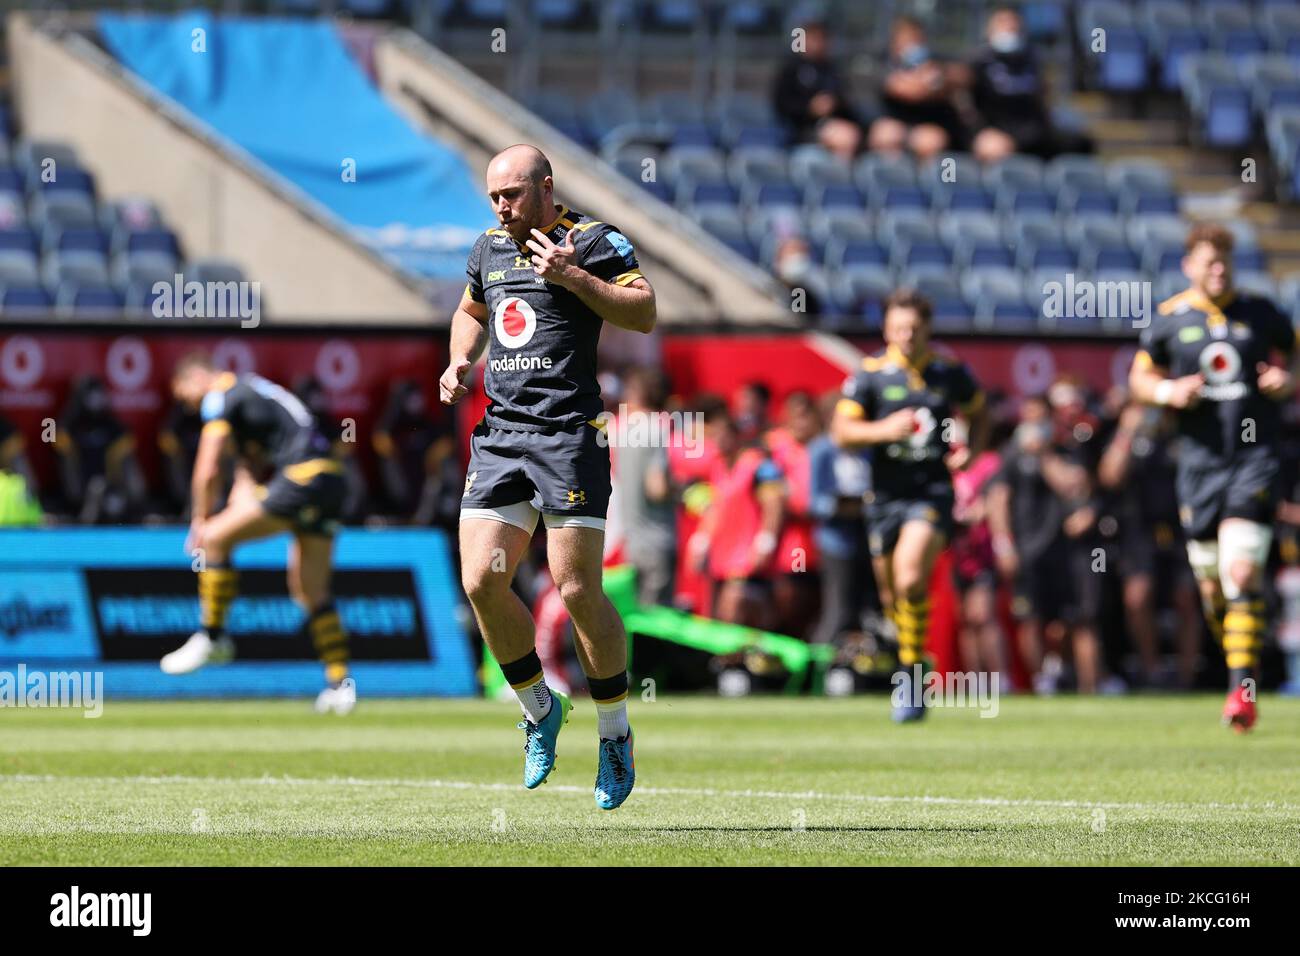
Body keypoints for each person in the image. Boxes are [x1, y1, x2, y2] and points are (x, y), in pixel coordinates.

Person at [440, 144, 655, 809]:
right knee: (481, 579)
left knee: (576, 588)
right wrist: (458, 362)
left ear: (546, 189)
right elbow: (472, 311)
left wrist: (575, 280)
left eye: (512, 195)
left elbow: (643, 311)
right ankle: (540, 709)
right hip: (503, 436)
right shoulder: (487, 248)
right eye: (494, 198)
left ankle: (615, 735)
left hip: (568, 436)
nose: (502, 208)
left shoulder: (592, 240)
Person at [1129, 222, 1299, 732]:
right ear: (1189, 266)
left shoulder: (1263, 313)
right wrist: (1166, 393)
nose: (1218, 270)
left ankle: (1240, 694)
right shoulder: (1168, 320)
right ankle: (1245, 639)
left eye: (1225, 261)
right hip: (1199, 469)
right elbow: (1140, 377)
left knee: (1241, 571)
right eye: (1209, 261)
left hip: (1254, 460)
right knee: (1214, 590)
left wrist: (1287, 380)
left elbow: (1294, 360)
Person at [161, 354, 355, 715]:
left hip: (302, 478)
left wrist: (200, 520)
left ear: (196, 379)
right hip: (331, 480)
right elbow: (246, 471)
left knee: (215, 539)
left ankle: (214, 637)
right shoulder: (253, 393)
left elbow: (207, 467)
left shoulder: (221, 395)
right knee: (310, 591)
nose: (187, 405)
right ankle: (339, 685)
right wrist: (237, 500)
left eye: (184, 395)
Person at [831, 289, 988, 720]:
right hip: (884, 497)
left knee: (911, 573)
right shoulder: (870, 374)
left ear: (928, 329)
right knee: (892, 594)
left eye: (915, 328)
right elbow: (843, 431)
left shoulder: (949, 371)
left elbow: (980, 409)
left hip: (931, 491)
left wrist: (971, 447)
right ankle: (914, 658)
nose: (908, 335)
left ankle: (909, 672)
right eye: (899, 327)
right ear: (886, 329)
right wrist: (884, 430)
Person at [967, 6, 1092, 162]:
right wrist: (981, 131)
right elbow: (966, 103)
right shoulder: (977, 61)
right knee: (995, 150)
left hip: (1034, 130)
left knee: (1081, 144)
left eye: (1013, 23)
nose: (1010, 27)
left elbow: (1045, 96)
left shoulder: (1033, 59)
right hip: (997, 129)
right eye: (1003, 22)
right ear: (989, 29)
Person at [869, 17, 969, 161]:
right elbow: (908, 91)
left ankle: (933, 182)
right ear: (895, 42)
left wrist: (938, 77)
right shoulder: (883, 63)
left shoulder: (935, 60)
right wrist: (930, 83)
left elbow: (962, 76)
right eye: (907, 38)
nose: (913, 43)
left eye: (917, 38)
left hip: (932, 125)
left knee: (929, 140)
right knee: (887, 134)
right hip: (897, 123)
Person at [771, 7, 865, 160]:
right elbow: (782, 105)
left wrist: (833, 104)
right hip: (803, 134)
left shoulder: (831, 69)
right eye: (812, 37)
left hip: (834, 129)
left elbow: (847, 103)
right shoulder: (791, 69)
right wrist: (810, 108)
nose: (817, 42)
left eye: (821, 38)